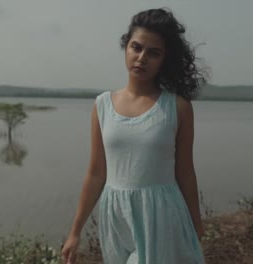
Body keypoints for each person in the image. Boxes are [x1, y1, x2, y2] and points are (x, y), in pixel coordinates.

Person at [62, 8, 207, 264]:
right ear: (126, 47)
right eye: (136, 47)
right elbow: (96, 173)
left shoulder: (178, 107)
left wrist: (195, 224)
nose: (141, 58)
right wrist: (75, 232)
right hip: (114, 215)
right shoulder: (102, 105)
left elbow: (185, 171)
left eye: (154, 53)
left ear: (164, 59)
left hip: (160, 213)